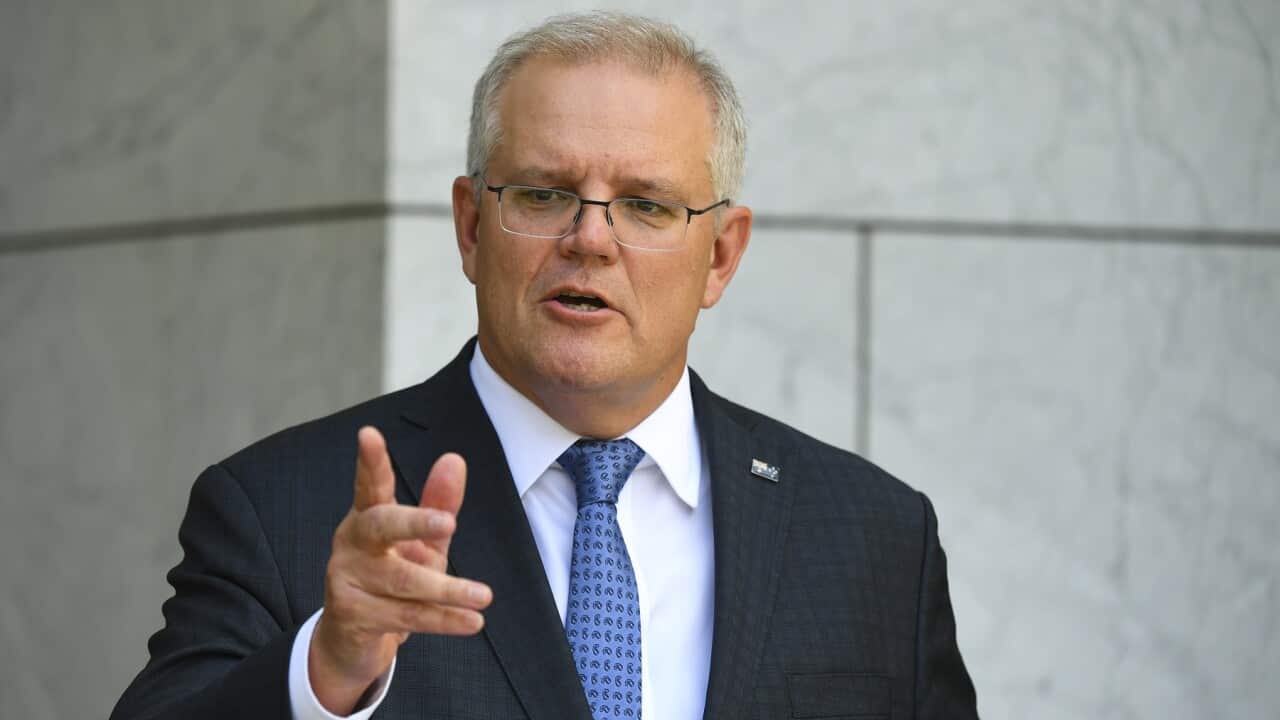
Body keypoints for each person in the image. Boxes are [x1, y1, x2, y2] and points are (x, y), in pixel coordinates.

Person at [112, 11, 977, 720]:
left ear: (720, 256)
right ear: (471, 227)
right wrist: (326, 669)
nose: (590, 239)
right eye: (541, 193)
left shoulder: (874, 538)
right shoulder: (283, 508)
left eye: (645, 205)